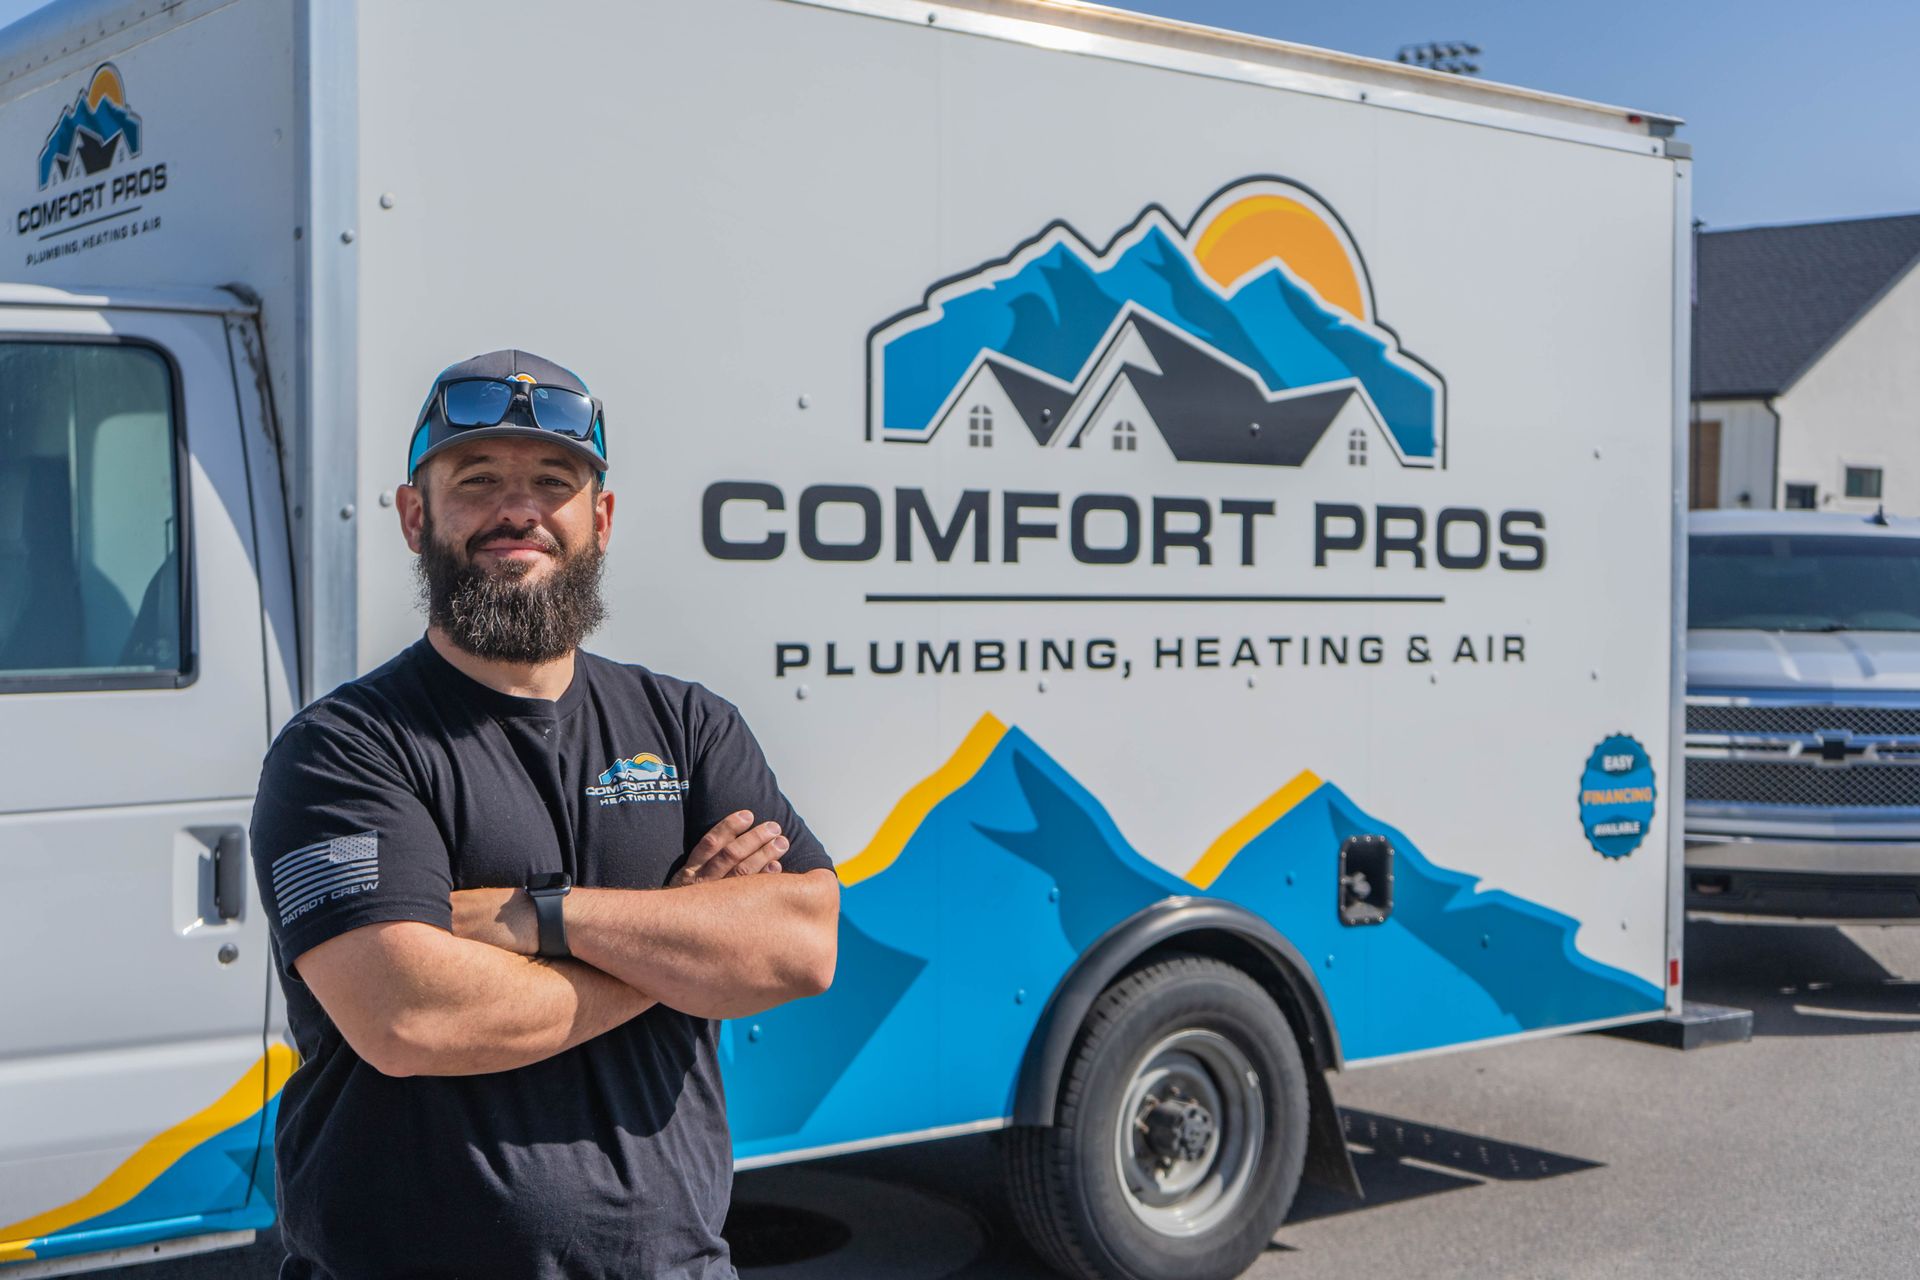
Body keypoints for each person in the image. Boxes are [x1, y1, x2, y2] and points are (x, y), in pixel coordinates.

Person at [248, 350, 839, 1279]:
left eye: (552, 483)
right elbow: (408, 1017)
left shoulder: (686, 725)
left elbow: (801, 945)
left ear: (597, 520)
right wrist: (680, 953)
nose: (516, 511)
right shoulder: (346, 749)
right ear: (415, 518)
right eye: (477, 480)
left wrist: (543, 918)